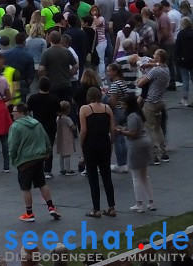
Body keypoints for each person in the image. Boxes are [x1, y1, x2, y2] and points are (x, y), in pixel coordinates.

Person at [7, 104, 61, 223]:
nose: (12, 114)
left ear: (21, 112)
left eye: (14, 112)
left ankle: (29, 213)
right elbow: (46, 139)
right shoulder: (37, 123)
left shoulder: (15, 127)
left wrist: (14, 159)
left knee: (25, 187)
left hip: (24, 160)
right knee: (42, 183)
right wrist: (47, 151)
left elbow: (12, 145)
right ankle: (51, 207)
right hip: (38, 158)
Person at [78, 86, 116, 218]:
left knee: (93, 177)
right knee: (107, 176)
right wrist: (111, 143)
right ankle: (111, 207)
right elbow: (112, 129)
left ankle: (96, 209)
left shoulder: (84, 109)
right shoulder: (107, 108)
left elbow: (83, 130)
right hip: (104, 143)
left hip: (91, 145)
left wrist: (81, 144)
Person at [117, 93, 155, 213]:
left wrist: (120, 131)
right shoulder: (138, 114)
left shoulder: (131, 116)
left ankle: (139, 204)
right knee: (144, 175)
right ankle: (151, 202)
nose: (122, 107)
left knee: (135, 176)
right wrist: (125, 129)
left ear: (128, 105)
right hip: (145, 142)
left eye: (123, 104)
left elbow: (133, 133)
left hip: (136, 145)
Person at [137, 49, 170, 164]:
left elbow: (140, 84)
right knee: (158, 128)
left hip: (150, 102)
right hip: (160, 101)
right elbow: (157, 63)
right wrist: (151, 63)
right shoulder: (166, 69)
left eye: (155, 55)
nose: (153, 56)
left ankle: (154, 155)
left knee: (150, 128)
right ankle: (163, 152)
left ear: (159, 58)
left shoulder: (155, 71)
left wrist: (141, 77)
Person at [54, 102, 77, 175]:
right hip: (67, 137)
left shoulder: (58, 118)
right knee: (67, 154)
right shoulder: (67, 118)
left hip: (60, 137)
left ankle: (62, 169)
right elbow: (73, 127)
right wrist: (75, 126)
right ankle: (68, 170)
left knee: (62, 154)